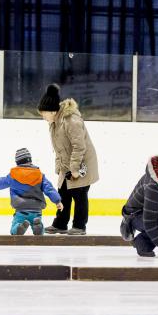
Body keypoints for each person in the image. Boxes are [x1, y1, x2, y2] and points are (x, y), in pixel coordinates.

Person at [37, 84, 99, 235]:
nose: (42, 117)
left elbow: (79, 147)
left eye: (43, 113)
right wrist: (60, 168)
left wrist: (75, 170)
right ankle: (60, 224)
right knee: (63, 193)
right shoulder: (54, 123)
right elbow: (59, 149)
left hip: (82, 163)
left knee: (79, 195)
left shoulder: (71, 121)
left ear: (52, 111)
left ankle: (79, 226)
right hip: (68, 165)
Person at [0, 148, 63, 235]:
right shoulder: (39, 175)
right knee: (38, 225)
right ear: (30, 160)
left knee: (14, 228)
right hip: (37, 209)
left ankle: (18, 228)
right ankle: (38, 227)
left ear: (17, 162)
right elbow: (49, 188)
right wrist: (57, 201)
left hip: (21, 209)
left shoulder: (13, 176)